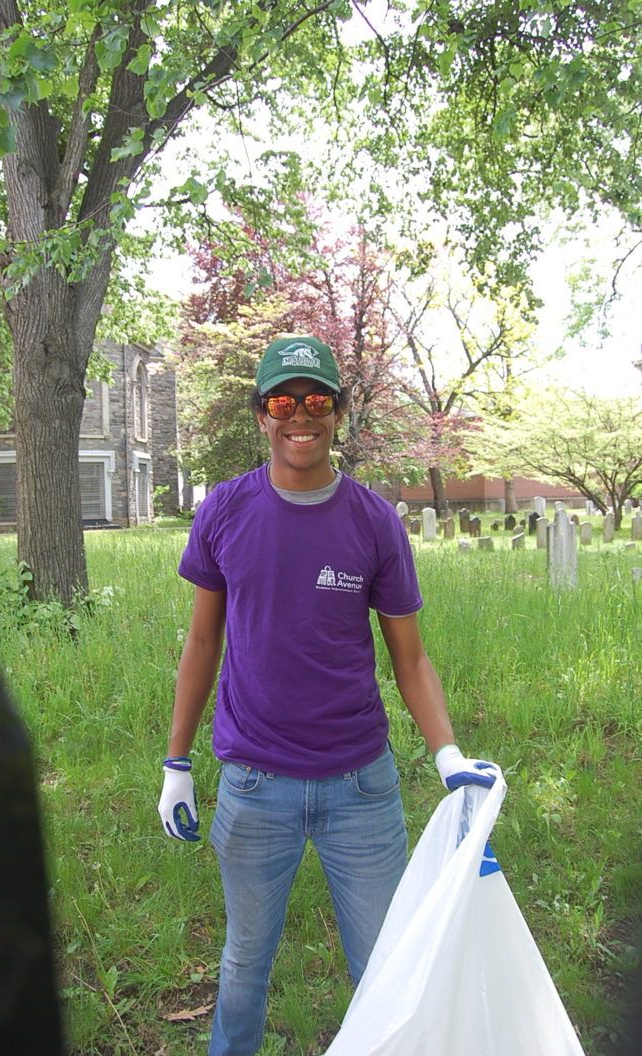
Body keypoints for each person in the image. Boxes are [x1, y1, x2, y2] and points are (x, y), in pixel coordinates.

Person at [158, 335, 497, 1056]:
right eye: (283, 400)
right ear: (260, 414)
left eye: (317, 400)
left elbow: (411, 657)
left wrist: (448, 755)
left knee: (386, 970)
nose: (300, 416)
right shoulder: (224, 511)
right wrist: (177, 763)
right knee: (244, 965)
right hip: (254, 784)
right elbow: (201, 645)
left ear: (339, 412)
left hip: (360, 792)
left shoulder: (374, 521)